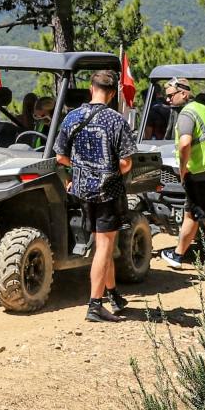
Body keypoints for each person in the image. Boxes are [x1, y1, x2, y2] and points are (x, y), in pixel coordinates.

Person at [53, 69, 136, 323]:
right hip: (108, 192)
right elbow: (126, 163)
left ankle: (113, 294)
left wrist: (82, 169)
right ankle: (95, 305)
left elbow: (60, 157)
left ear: (92, 88)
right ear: (112, 94)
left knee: (103, 245)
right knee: (104, 247)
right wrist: (106, 170)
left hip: (82, 192)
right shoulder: (116, 121)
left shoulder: (72, 117)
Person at [160, 77, 205, 277]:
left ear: (183, 93)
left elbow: (184, 144)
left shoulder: (186, 114)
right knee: (191, 213)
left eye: (171, 95)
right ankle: (177, 255)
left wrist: (182, 169)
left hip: (198, 173)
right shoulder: (203, 109)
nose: (168, 100)